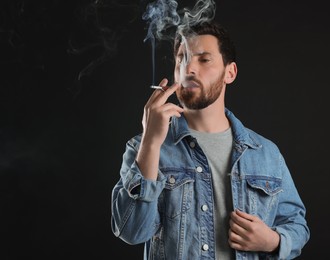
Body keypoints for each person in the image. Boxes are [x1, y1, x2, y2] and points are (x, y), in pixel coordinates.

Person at [111, 21, 310, 259]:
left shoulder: (265, 153)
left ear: (230, 72)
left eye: (203, 59)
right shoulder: (142, 148)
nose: (189, 69)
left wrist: (272, 241)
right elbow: (131, 231)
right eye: (182, 59)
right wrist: (151, 144)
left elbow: (297, 225)